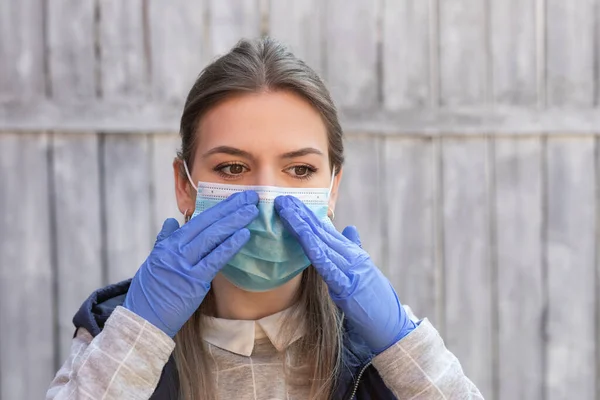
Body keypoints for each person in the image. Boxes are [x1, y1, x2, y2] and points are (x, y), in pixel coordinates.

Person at [46, 37, 483, 400]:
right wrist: (137, 337)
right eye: (233, 168)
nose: (268, 197)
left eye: (300, 170)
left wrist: (405, 349)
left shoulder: (381, 351)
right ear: (184, 184)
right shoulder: (112, 332)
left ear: (332, 187)